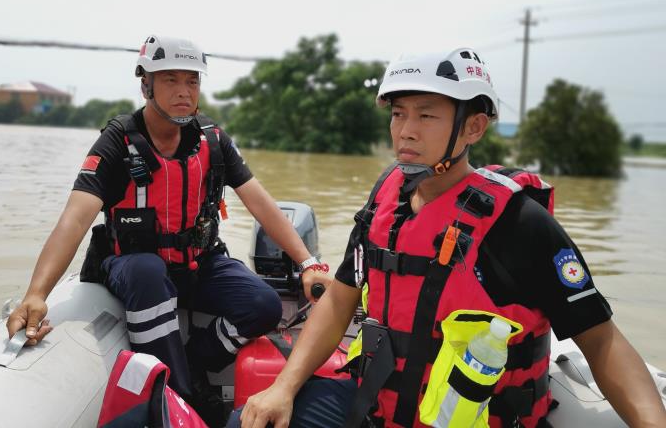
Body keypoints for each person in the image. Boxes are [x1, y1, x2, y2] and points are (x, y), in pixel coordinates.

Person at [232, 47, 666, 428]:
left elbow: (600, 337)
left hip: (468, 417)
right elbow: (342, 297)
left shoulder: (520, 223)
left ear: (473, 128)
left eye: (425, 115)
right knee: (247, 419)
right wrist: (284, 387)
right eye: (398, 114)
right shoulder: (386, 202)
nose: (406, 130)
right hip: (376, 405)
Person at [6, 34, 331, 422]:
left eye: (192, 81)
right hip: (132, 265)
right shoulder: (116, 142)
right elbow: (75, 218)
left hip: (198, 261)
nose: (183, 91)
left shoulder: (212, 139)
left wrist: (309, 261)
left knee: (263, 306)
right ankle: (180, 397)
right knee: (147, 272)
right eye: (171, 80)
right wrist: (36, 293)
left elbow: (260, 202)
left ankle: (192, 363)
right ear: (146, 83)